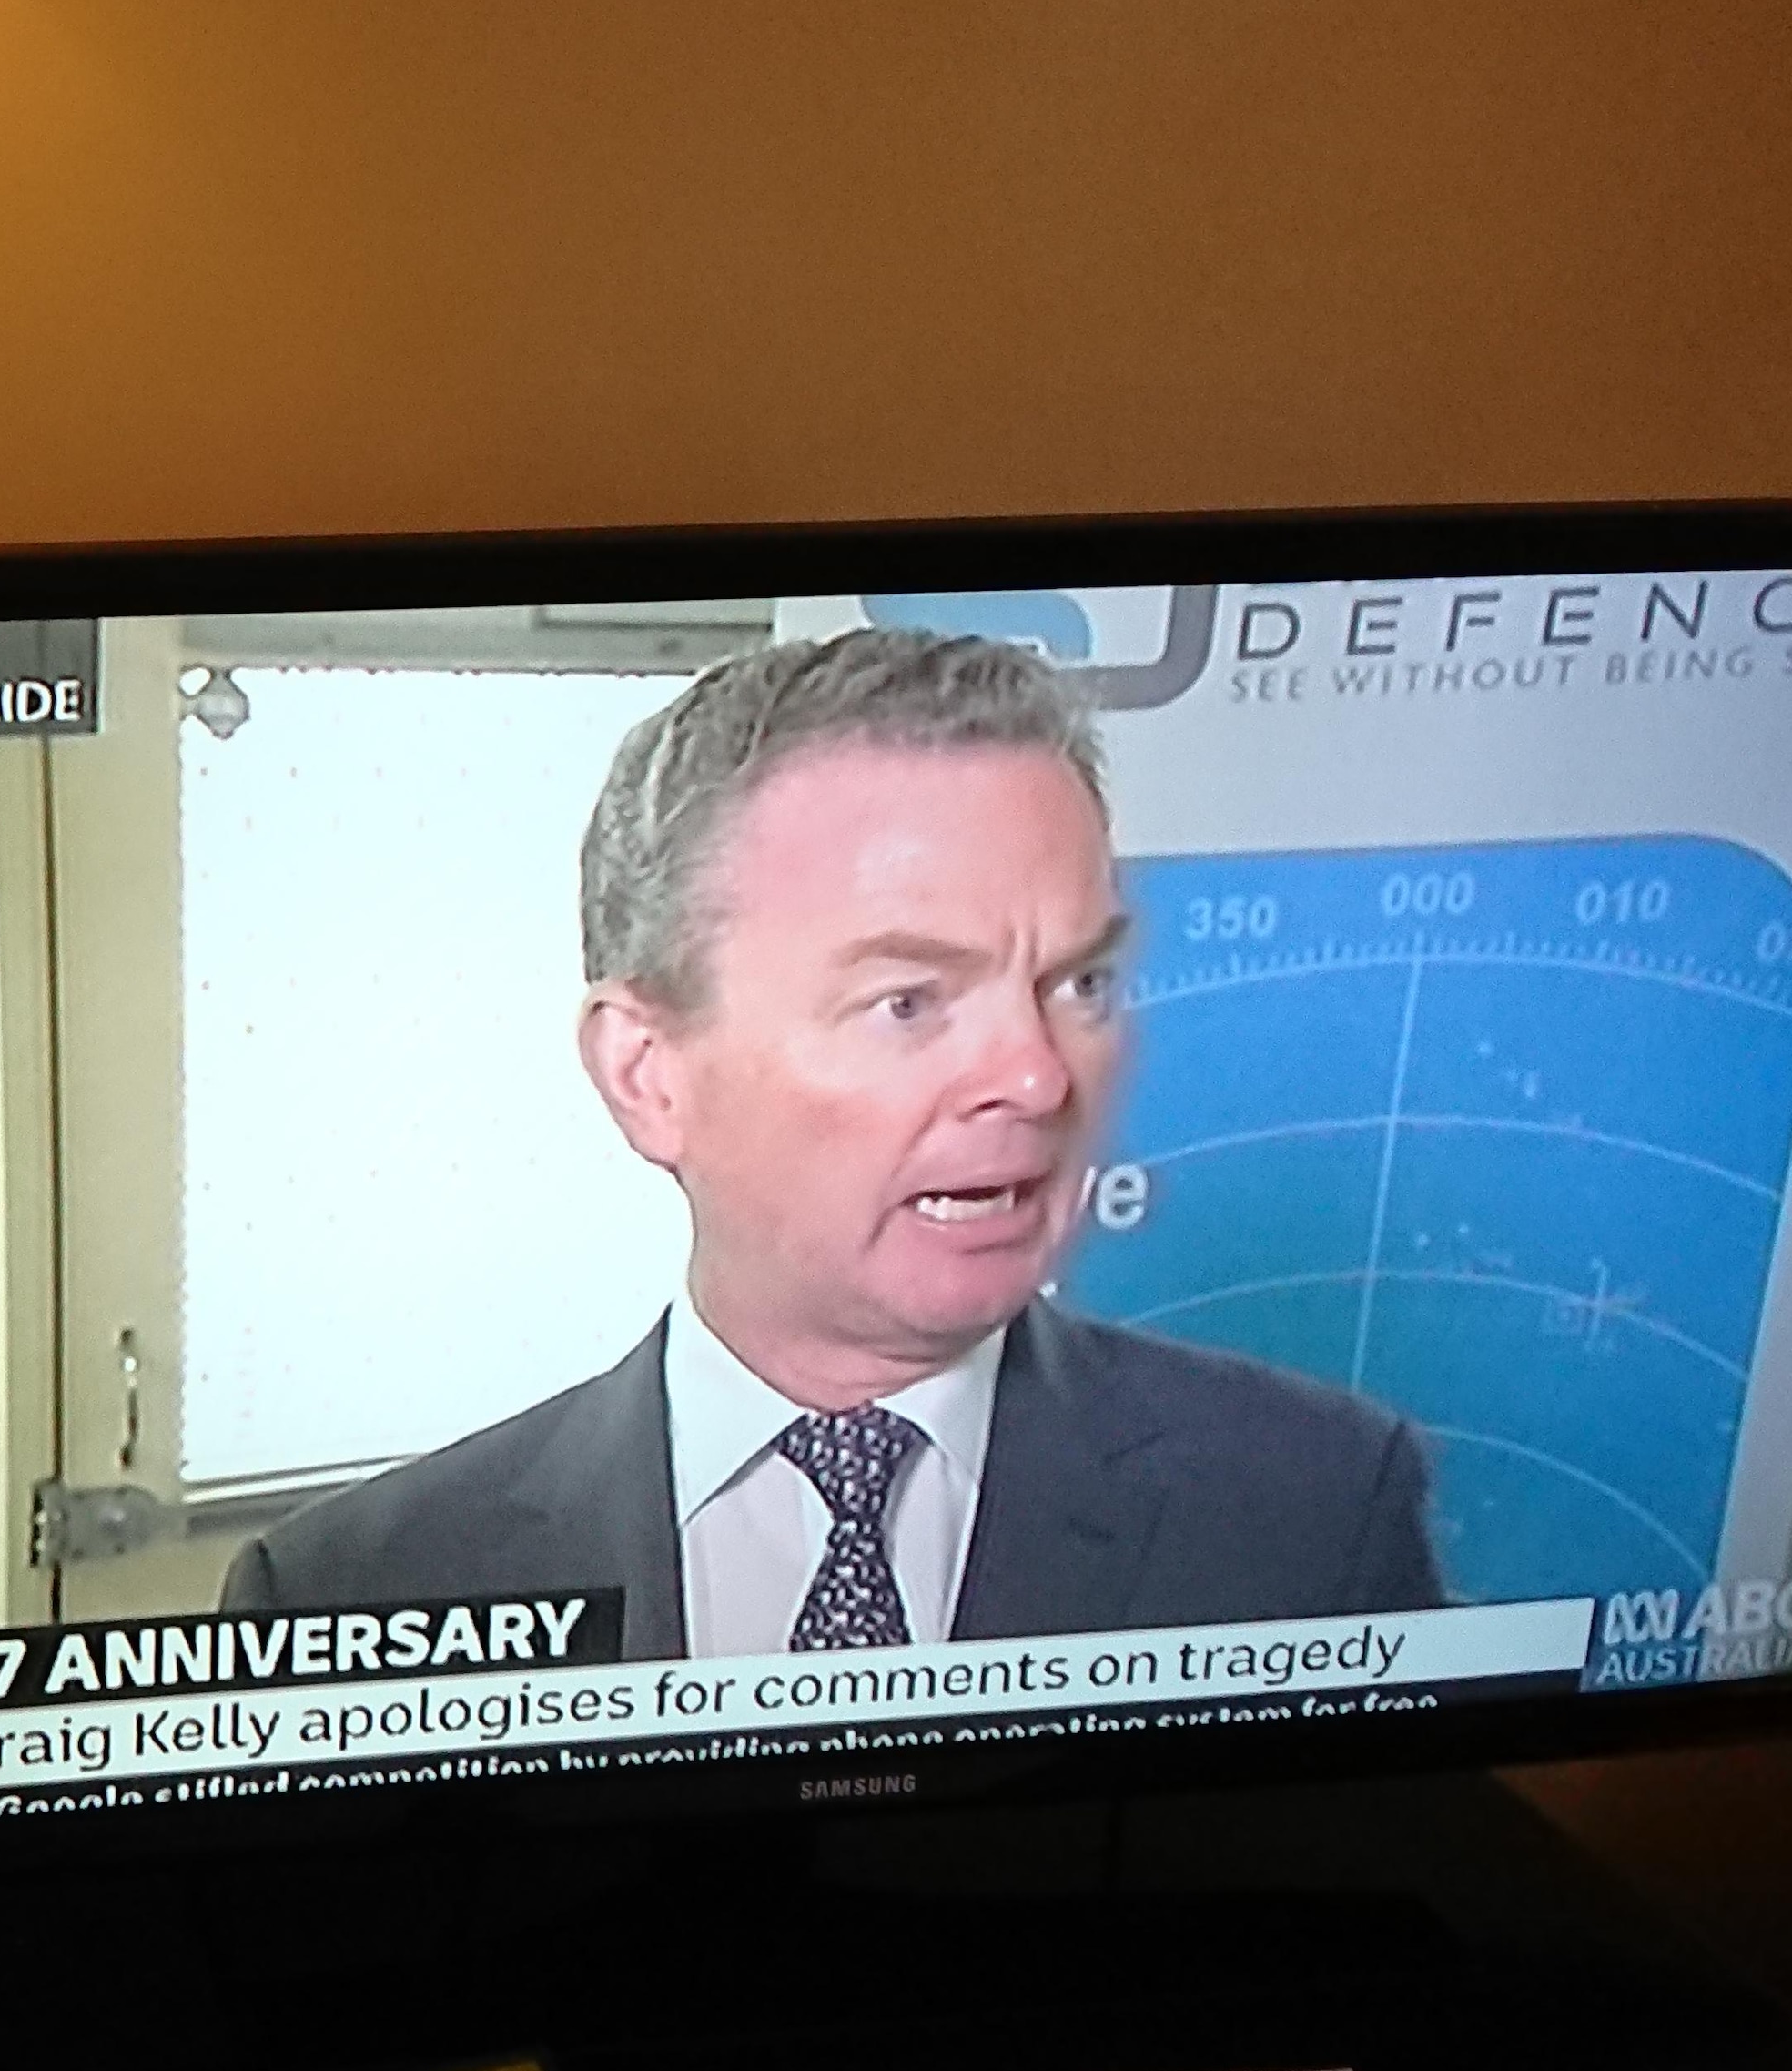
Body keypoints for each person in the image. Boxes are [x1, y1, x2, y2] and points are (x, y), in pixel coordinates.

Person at [220, 628, 1444, 1658]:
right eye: (909, 1001)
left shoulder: (1318, 1508)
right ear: (648, 1074)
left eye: (1076, 983)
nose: (1035, 1075)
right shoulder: (351, 1595)